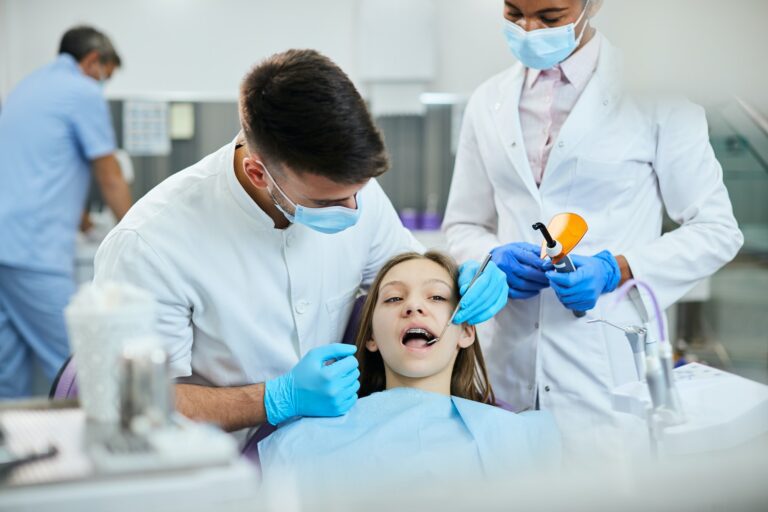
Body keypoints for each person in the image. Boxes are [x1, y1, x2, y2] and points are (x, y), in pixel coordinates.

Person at [93, 49, 509, 444]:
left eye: (357, 194)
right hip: (216, 466)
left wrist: (458, 279)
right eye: (327, 203)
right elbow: (133, 404)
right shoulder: (150, 245)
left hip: (327, 448)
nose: (351, 211)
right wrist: (275, 399)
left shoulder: (350, 189)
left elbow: (411, 274)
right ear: (258, 173)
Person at [442, 0, 743, 461]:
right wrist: (491, 260)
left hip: (605, 363)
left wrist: (616, 269)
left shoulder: (658, 96)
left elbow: (718, 229)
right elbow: (464, 222)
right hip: (505, 358)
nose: (527, 29)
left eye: (549, 16)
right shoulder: (488, 101)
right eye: (512, 13)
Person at [258, 251, 559, 495]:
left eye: (437, 297)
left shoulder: (525, 440)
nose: (413, 306)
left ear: (466, 332)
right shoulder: (300, 444)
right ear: (372, 336)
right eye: (393, 298)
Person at [0, 26, 132, 398]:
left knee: (7, 370)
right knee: (77, 366)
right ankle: (92, 454)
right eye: (106, 74)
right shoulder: (82, 91)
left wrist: (86, 222)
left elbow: (41, 171)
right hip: (33, 251)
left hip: (6, 245)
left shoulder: (26, 88)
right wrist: (142, 231)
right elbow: (109, 177)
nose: (103, 83)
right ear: (93, 62)